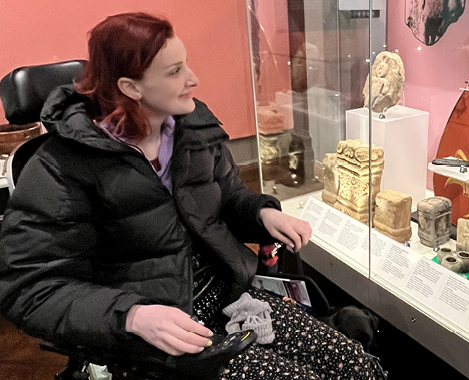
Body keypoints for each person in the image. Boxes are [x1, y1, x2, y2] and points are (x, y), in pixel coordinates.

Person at [0, 12, 382, 380]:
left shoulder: (193, 129)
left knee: (354, 364)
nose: (194, 79)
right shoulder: (62, 166)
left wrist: (263, 214)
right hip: (158, 324)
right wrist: (131, 316)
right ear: (130, 88)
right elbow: (28, 288)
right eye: (174, 72)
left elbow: (228, 195)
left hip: (227, 292)